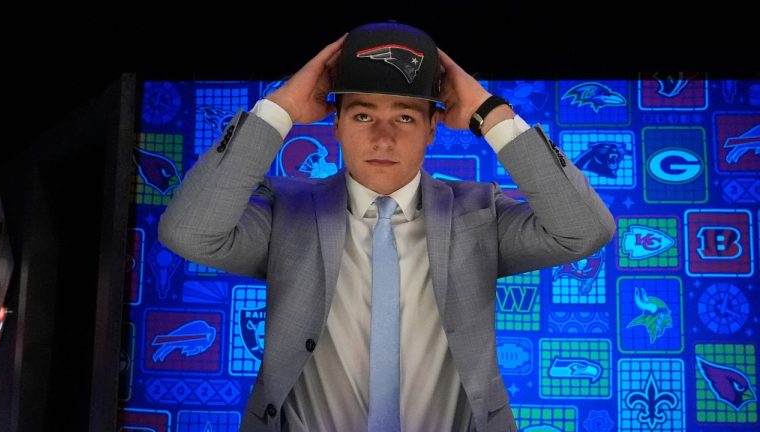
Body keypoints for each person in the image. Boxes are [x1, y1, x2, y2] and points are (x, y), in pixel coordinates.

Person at [159, 22, 615, 432]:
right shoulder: (285, 211)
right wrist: (279, 109)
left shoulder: (479, 213)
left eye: (404, 116)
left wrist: (488, 111)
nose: (382, 137)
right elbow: (189, 232)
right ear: (334, 123)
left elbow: (584, 229)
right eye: (362, 115)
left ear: (433, 126)